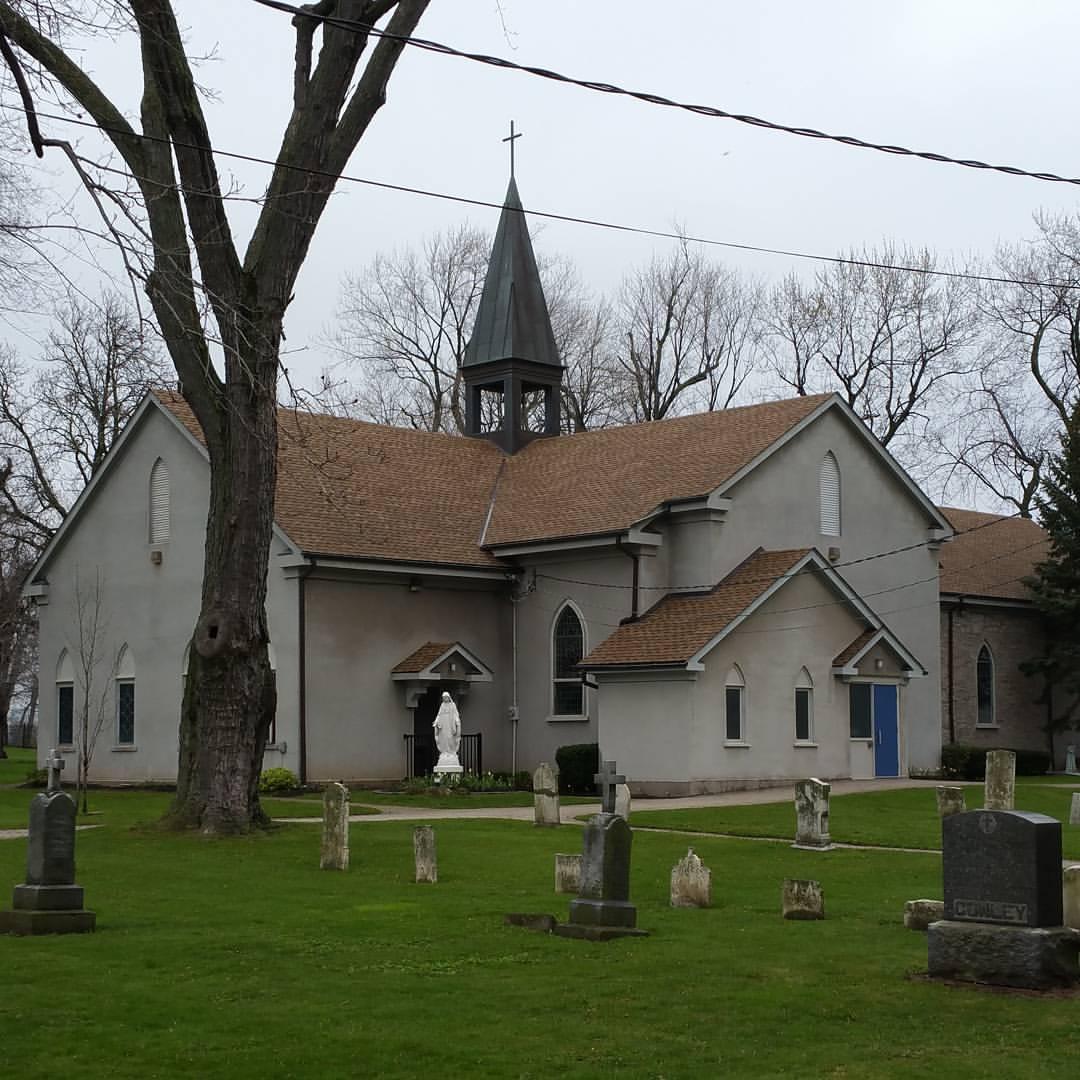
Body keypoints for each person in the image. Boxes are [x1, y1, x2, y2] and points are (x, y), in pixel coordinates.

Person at [433, 691, 461, 758]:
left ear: (449, 698)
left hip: (450, 724)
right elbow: (439, 715)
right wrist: (436, 721)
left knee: (450, 737)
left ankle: (451, 751)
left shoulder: (453, 705)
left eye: (446, 697)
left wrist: (457, 720)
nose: (445, 699)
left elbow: (456, 714)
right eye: (444, 698)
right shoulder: (442, 705)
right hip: (443, 724)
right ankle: (445, 751)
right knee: (444, 738)